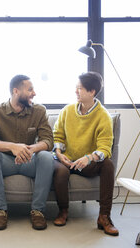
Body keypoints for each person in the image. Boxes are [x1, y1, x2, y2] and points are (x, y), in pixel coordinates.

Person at [0, 74, 54, 231]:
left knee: (47, 157)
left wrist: (32, 149)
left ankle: (38, 211)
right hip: (5, 162)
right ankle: (0, 211)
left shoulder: (39, 111)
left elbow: (48, 141)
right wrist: (13, 147)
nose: (34, 93)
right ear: (16, 91)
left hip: (29, 160)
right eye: (30, 90)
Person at [52, 71, 119, 236]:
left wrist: (89, 158)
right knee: (60, 171)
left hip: (87, 163)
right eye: (76, 88)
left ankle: (104, 217)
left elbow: (105, 148)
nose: (76, 91)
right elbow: (57, 135)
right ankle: (63, 211)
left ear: (92, 92)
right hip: (66, 160)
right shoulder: (67, 111)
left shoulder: (103, 116)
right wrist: (59, 153)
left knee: (108, 165)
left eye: (80, 88)